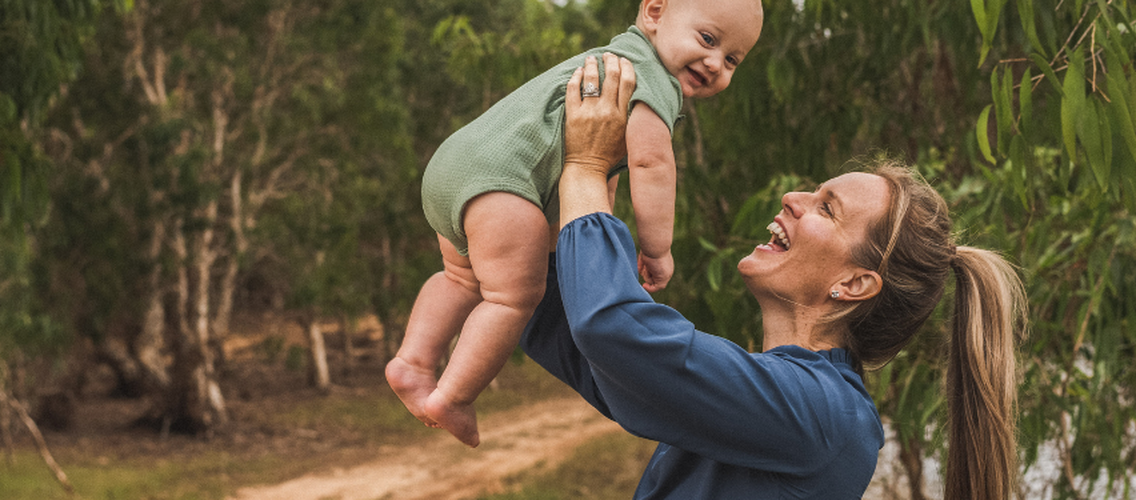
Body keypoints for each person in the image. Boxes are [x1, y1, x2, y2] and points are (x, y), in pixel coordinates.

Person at [525, 53, 1027, 498]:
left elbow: (613, 331)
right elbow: (577, 338)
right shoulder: (786, 401)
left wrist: (586, 166)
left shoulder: (825, 415)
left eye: (826, 208)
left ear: (854, 285)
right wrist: (538, 230)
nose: (792, 197)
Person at [388, 0, 765, 447]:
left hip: (454, 164)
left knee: (460, 277)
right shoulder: (654, 82)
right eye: (707, 39)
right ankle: (453, 396)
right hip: (502, 185)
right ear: (654, 12)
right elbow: (651, 163)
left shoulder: (613, 58)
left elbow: (603, 166)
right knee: (511, 297)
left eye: (732, 59)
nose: (715, 63)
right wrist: (657, 248)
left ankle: (412, 363)